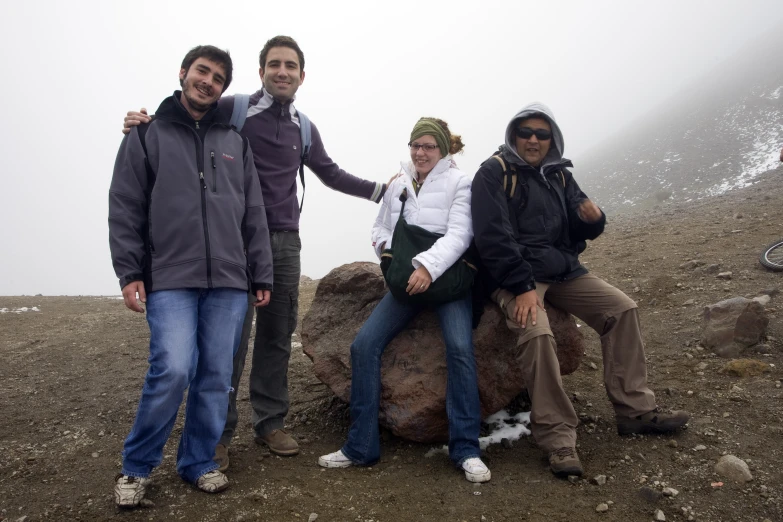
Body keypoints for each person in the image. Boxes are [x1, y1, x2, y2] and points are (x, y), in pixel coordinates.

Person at [123, 36, 391, 468]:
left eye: (290, 65)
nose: (281, 71)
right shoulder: (236, 108)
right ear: (261, 70)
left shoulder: (304, 126)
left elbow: (330, 173)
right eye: (273, 64)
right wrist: (144, 122)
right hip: (235, 237)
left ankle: (269, 422)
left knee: (276, 335)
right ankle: (218, 435)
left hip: (284, 241)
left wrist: (383, 190)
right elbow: (187, 117)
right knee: (228, 342)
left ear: (302, 76)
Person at [471, 102, 689, 478]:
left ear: (552, 138)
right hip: (515, 275)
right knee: (536, 332)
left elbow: (578, 220)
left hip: (562, 270)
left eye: (542, 133)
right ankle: (558, 439)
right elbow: (492, 238)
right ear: (513, 136)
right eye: (526, 132)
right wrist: (522, 286)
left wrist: (594, 220)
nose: (534, 139)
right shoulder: (494, 173)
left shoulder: (558, 174)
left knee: (621, 309)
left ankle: (634, 411)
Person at [109, 45, 273, 507]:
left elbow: (254, 212)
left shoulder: (236, 142)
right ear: (184, 73)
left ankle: (198, 461)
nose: (209, 81)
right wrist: (130, 270)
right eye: (202, 71)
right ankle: (136, 468)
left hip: (228, 281)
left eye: (219, 77)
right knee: (172, 370)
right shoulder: (146, 134)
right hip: (170, 277)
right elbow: (125, 205)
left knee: (217, 377)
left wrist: (260, 270)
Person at [317, 118, 491, 483]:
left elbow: (461, 234)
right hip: (406, 285)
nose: (420, 152)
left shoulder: (461, 182)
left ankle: (466, 449)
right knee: (363, 346)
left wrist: (427, 267)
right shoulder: (399, 183)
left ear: (443, 149)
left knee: (459, 349)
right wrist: (386, 255)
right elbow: (380, 227)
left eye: (428, 146)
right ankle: (360, 446)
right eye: (416, 145)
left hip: (446, 284)